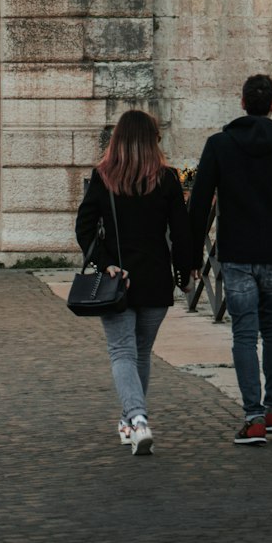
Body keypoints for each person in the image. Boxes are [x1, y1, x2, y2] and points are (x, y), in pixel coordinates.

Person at [188, 73, 272, 446]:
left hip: (237, 253)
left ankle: (254, 417)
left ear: (242, 102)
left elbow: (199, 203)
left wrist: (193, 253)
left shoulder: (219, 145)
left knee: (244, 333)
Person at [75, 110, 192, 456]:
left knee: (122, 351)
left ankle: (137, 420)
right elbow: (181, 233)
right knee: (140, 352)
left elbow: (84, 228)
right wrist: (185, 274)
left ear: (118, 140)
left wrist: (106, 264)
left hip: (117, 279)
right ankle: (130, 421)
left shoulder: (103, 178)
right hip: (156, 278)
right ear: (152, 140)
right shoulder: (168, 179)